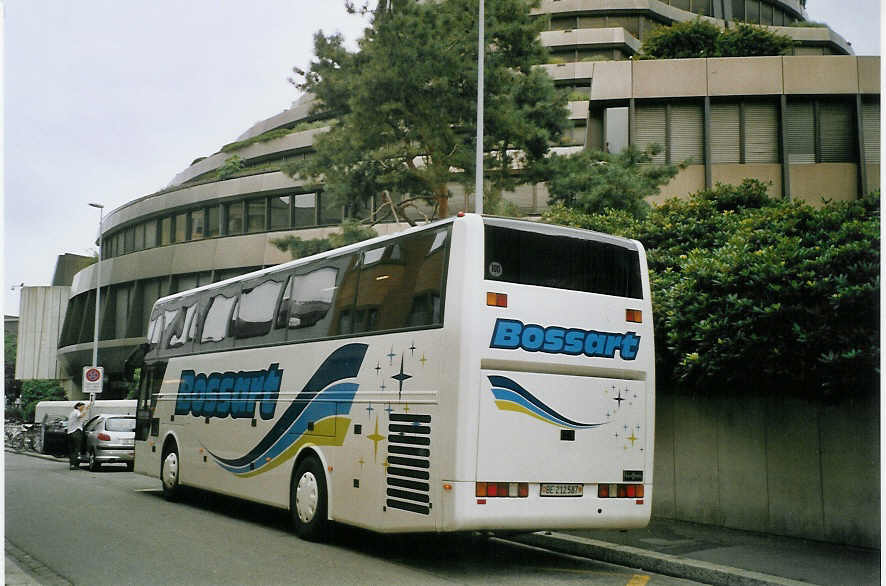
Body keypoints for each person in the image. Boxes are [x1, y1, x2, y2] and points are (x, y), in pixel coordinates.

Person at [66, 402, 87, 470]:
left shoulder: (72, 413)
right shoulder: (77, 412)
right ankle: (75, 464)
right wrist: (85, 410)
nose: (83, 408)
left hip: (70, 432)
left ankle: (72, 464)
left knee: (71, 449)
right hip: (76, 432)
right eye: (82, 407)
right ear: (78, 407)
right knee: (76, 449)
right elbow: (80, 416)